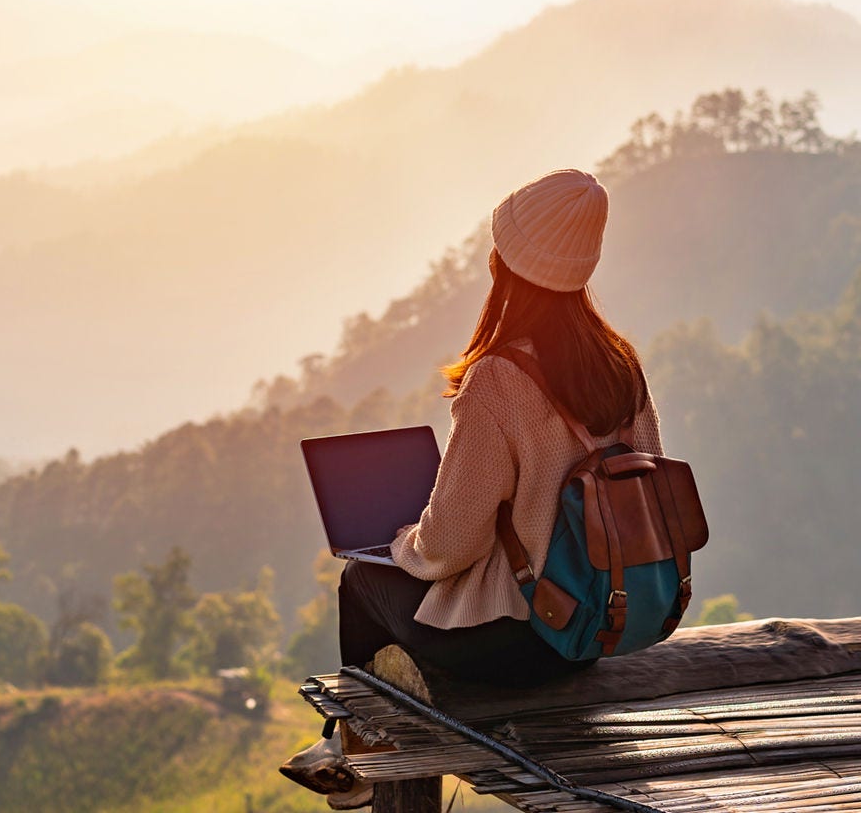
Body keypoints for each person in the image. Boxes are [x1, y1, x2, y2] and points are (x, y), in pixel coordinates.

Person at [282, 168, 663, 807]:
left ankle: (356, 760)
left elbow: (452, 545)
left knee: (360, 582)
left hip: (519, 640)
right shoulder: (620, 362)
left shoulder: (498, 378)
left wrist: (403, 543)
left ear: (506, 265)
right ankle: (351, 749)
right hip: (597, 629)